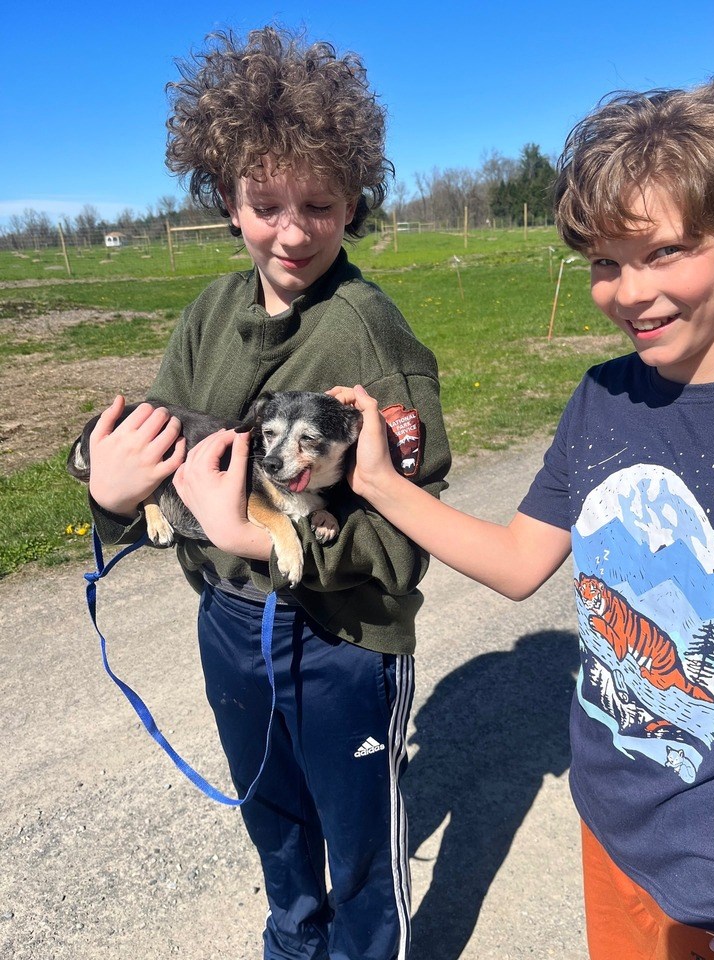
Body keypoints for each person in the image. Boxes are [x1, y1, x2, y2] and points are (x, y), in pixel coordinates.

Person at [331, 72, 714, 960]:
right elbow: (519, 562)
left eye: (665, 252)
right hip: (614, 829)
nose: (629, 293)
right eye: (606, 263)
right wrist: (377, 482)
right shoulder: (601, 397)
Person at [84, 26, 450, 960]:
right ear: (226, 198)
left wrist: (269, 540)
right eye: (265, 203)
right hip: (227, 625)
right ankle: (292, 945)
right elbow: (147, 444)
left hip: (344, 641)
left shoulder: (372, 338)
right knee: (276, 825)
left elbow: (410, 541)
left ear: (357, 201)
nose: (292, 231)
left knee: (359, 846)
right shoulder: (209, 312)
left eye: (320, 204)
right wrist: (107, 486)